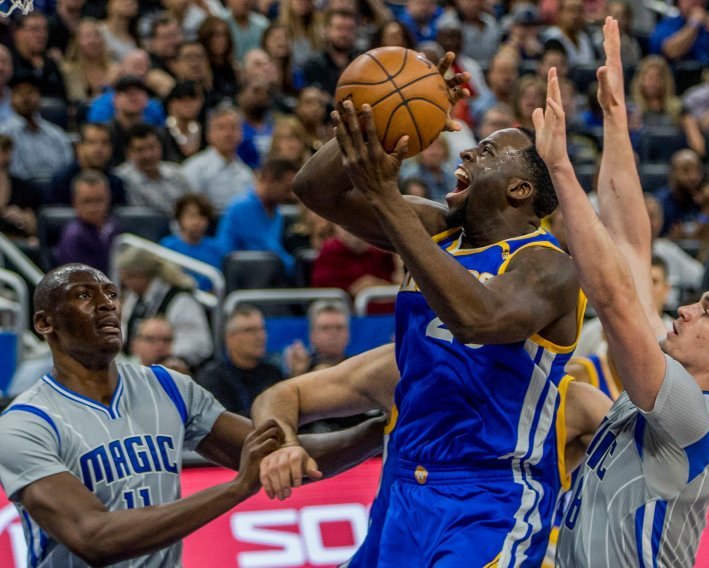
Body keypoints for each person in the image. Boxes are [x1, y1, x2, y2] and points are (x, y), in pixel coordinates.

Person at [286, 51, 589, 565]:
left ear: (520, 189)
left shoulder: (549, 267)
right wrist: (382, 117)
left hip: (489, 493)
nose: (467, 153)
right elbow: (314, 189)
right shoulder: (435, 229)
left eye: (488, 153)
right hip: (404, 481)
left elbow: (479, 319)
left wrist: (386, 197)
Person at [528, 19, 709, 566]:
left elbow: (613, 297)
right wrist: (616, 118)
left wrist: (559, 167)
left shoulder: (693, 418)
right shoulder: (670, 374)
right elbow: (628, 242)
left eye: (707, 311)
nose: (685, 309)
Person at [0, 263, 284, 567]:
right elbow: (94, 538)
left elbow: (283, 456)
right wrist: (236, 488)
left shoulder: (167, 386)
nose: (107, 304)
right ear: (44, 323)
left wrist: (341, 409)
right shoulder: (22, 424)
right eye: (84, 295)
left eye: (111, 294)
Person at [255, 341, 611, 565]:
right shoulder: (405, 366)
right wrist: (285, 443)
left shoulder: (570, 401)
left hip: (495, 542)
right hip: (392, 544)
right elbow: (284, 395)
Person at [116, 247, 214, 369]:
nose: (125, 284)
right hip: (136, 366)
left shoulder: (180, 300)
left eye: (127, 279)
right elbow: (124, 331)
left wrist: (161, 351)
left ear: (141, 276)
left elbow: (201, 345)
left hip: (172, 369)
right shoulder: (134, 298)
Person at [197, 304, 285, 417]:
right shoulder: (213, 378)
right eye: (250, 330)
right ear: (230, 338)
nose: (260, 336)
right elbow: (223, 423)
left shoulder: (273, 373)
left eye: (262, 329)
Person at [216, 157, 298, 277]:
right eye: (286, 189)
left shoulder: (276, 212)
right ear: (270, 179)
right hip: (241, 279)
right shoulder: (242, 208)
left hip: (266, 275)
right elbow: (267, 249)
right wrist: (297, 267)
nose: (292, 196)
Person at [0, 73, 73, 185]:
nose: (26, 98)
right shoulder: (4, 132)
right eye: (19, 93)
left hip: (55, 189)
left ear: (39, 96)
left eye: (30, 92)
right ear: (11, 99)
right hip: (20, 192)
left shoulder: (56, 133)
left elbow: (68, 167)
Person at [180, 103, 254, 211]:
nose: (228, 133)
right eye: (221, 128)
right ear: (209, 134)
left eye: (233, 128)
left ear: (241, 134)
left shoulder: (246, 173)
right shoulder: (194, 169)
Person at [115, 122, 192, 214]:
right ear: (128, 153)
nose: (148, 155)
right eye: (140, 150)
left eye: (152, 148)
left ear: (161, 147)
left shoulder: (176, 173)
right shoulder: (121, 179)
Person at [55, 170, 122, 274]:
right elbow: (77, 281)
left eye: (99, 200)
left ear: (108, 199)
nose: (94, 208)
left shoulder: (114, 226)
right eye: (87, 201)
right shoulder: (73, 236)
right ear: (75, 202)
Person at [48, 122, 127, 206]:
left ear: (111, 149)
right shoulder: (62, 181)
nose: (99, 148)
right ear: (79, 147)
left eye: (105, 142)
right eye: (92, 142)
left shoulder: (116, 183)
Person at [159, 193, 225, 290]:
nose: (197, 222)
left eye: (202, 216)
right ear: (180, 218)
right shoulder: (167, 246)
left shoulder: (217, 248)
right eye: (191, 216)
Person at [649, 0, 709, 67]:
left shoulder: (707, 26)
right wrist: (694, 23)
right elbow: (672, 52)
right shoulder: (668, 24)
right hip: (675, 74)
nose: (696, 2)